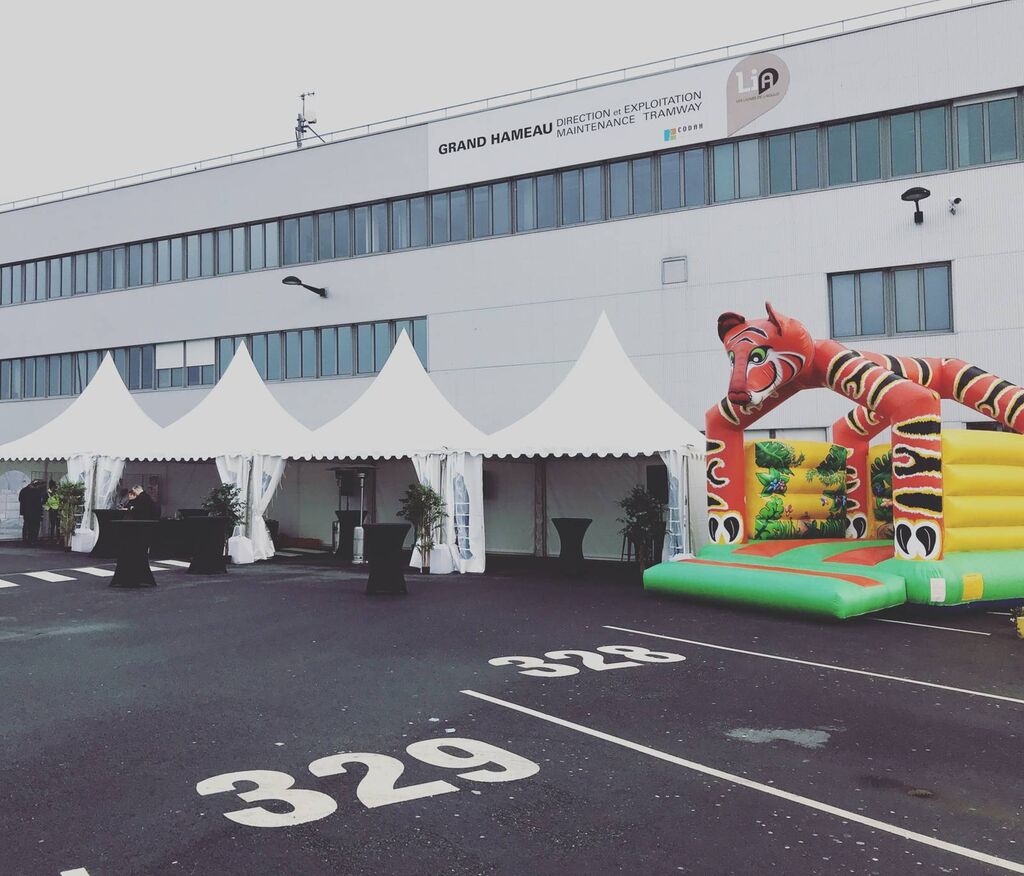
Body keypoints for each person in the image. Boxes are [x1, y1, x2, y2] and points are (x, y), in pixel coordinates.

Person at [18, 480, 44, 545]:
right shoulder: (37, 492)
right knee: (34, 527)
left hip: (26, 512)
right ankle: (33, 540)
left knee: (27, 526)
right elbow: (39, 504)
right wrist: (41, 513)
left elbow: (20, 499)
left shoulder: (23, 490)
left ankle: (26, 540)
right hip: (35, 513)